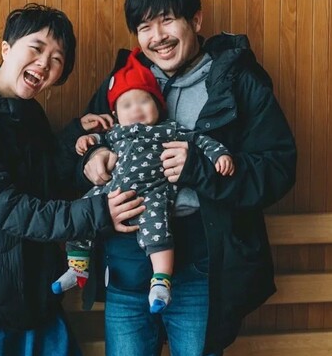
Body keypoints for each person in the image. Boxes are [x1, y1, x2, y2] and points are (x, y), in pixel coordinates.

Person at [76, 0, 297, 356]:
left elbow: (278, 168)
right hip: (126, 267)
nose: (157, 36)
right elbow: (81, 136)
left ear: (196, 20)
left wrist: (202, 171)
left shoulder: (236, 80)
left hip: (201, 265)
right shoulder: (125, 78)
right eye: (145, 27)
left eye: (167, 20)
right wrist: (92, 157)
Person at [0, 3, 143, 356]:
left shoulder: (26, 112)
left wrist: (78, 141)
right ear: (6, 48)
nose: (45, 63)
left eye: (57, 59)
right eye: (37, 48)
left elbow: (46, 182)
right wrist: (98, 213)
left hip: (36, 303)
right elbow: (8, 208)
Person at [51, 48, 234, 314]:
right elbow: (96, 142)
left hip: (153, 192)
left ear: (158, 105)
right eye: (126, 105)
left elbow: (200, 140)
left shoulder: (168, 129)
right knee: (83, 210)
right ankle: (78, 266)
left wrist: (220, 155)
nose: (136, 109)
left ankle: (161, 280)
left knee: (157, 228)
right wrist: (86, 142)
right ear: (115, 114)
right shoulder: (115, 133)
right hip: (112, 190)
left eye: (144, 101)